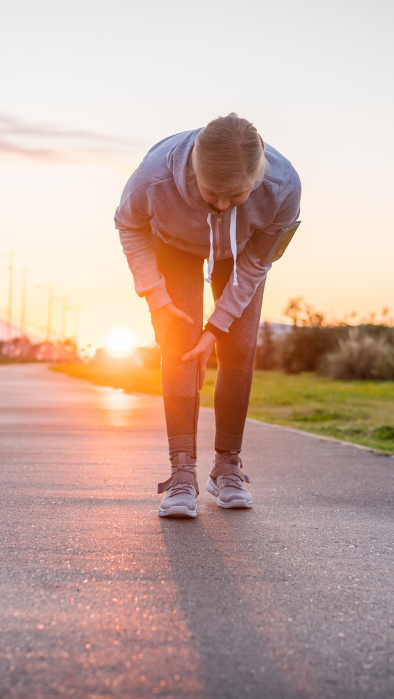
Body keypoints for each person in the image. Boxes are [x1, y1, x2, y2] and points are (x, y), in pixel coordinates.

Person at [115, 113, 301, 518]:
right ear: (193, 172)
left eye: (236, 197)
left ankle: (227, 467)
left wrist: (216, 329)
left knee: (240, 347)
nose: (220, 205)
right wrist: (157, 299)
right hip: (174, 245)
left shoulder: (284, 187)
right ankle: (182, 474)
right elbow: (128, 224)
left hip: (240, 254)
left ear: (257, 179)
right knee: (179, 346)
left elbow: (256, 265)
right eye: (210, 193)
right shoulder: (154, 178)